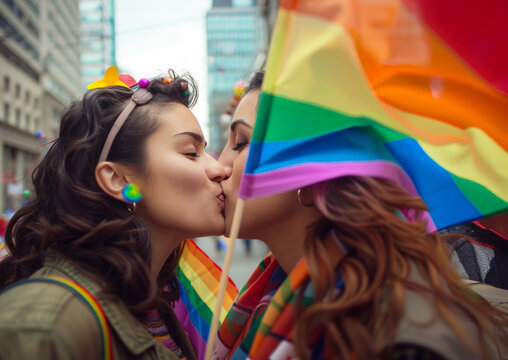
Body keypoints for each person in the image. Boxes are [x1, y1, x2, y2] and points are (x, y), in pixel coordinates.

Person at [215, 72, 508, 359]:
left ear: (309, 169)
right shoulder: (268, 296)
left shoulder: (407, 329)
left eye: (241, 142)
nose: (218, 166)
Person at [0, 68, 229, 359]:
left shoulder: (156, 308)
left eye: (205, 151)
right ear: (119, 180)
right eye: (191, 152)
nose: (220, 168)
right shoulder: (37, 330)